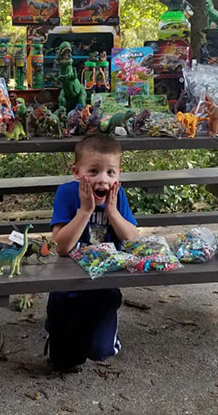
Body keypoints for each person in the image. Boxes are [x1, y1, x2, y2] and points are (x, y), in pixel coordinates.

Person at [45, 133, 139, 371]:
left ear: (118, 174)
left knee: (100, 351)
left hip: (103, 287)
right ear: (77, 172)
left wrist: (112, 213)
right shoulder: (66, 193)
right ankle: (55, 329)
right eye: (93, 171)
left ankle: (103, 334)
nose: (103, 180)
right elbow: (62, 247)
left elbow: (131, 239)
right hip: (67, 289)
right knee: (64, 363)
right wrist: (85, 211)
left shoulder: (118, 195)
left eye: (110, 172)